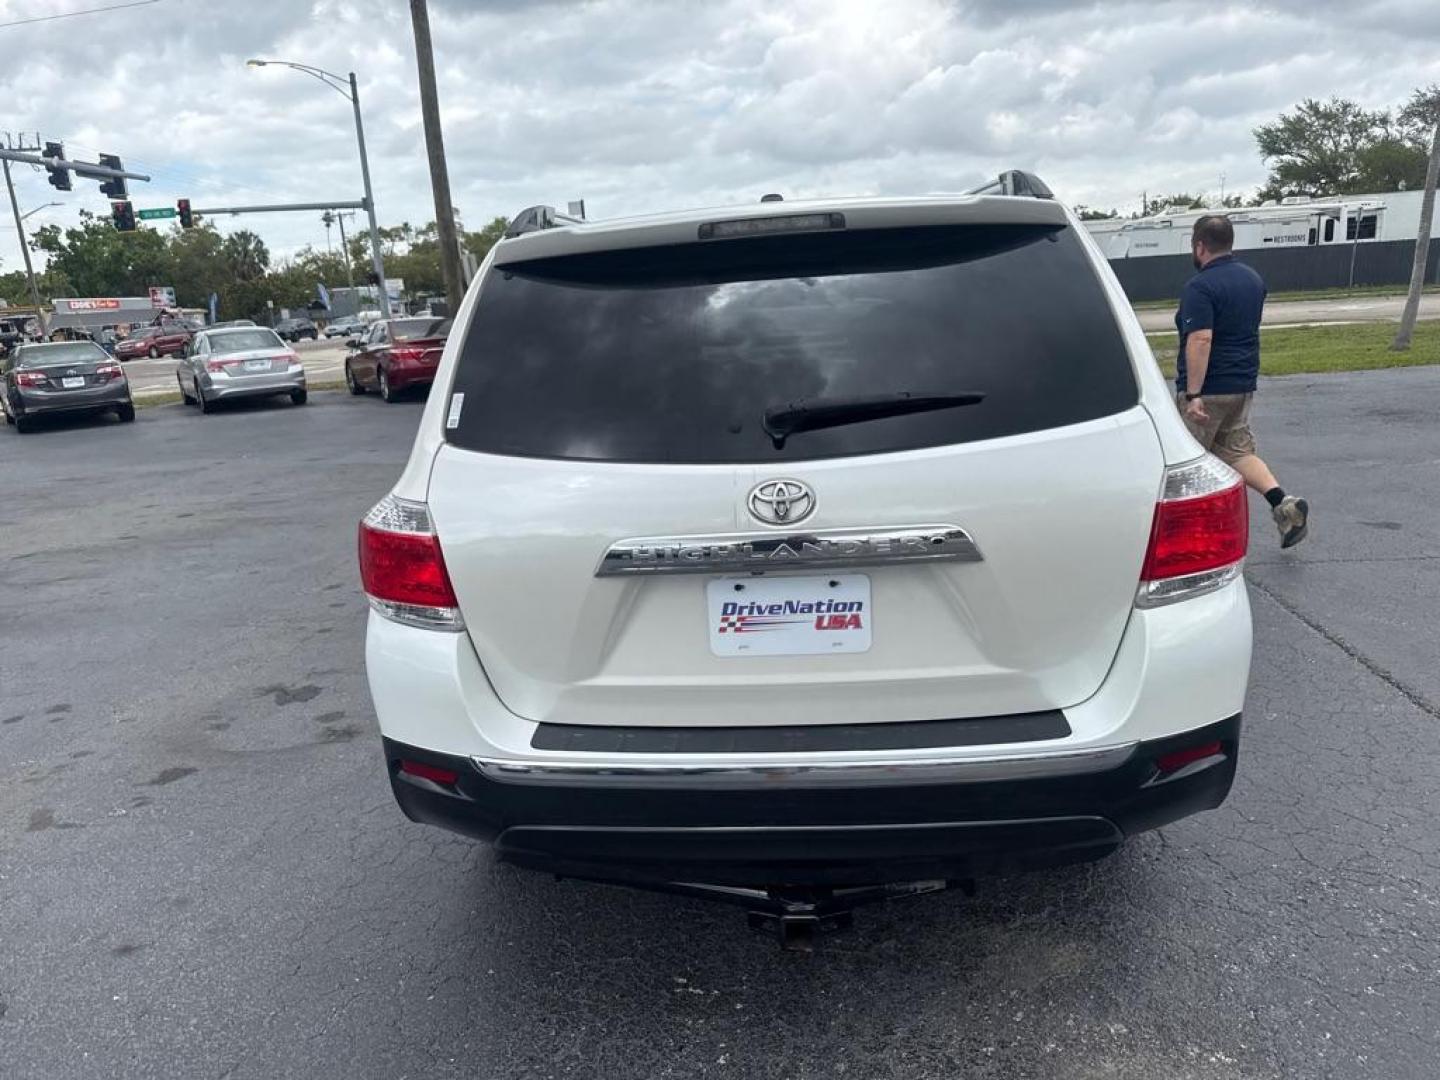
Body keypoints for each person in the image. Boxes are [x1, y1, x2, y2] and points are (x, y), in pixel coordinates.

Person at [1176, 215, 1309, 548]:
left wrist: (1194, 393)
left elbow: (1201, 339)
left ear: (1199, 246)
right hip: (1242, 384)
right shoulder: (1253, 279)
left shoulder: (1200, 286)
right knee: (1237, 452)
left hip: (1209, 389)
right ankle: (1283, 504)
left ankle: (1197, 537)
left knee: (1187, 460)